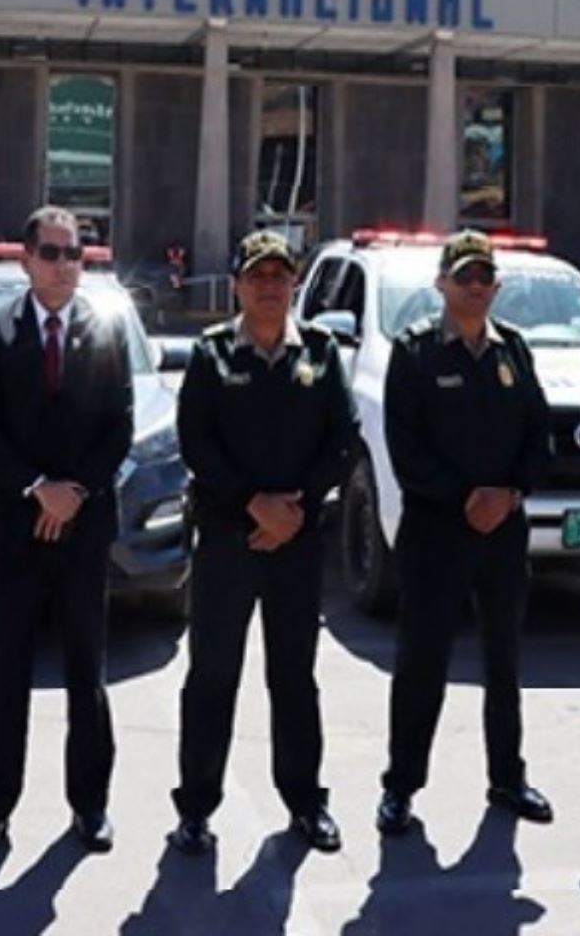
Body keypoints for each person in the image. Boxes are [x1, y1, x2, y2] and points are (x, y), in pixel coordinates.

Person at [168, 230, 358, 856]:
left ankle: (306, 801)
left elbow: (341, 440)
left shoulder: (322, 352)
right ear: (239, 285)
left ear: (294, 283)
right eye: (259, 277)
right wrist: (253, 504)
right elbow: (196, 441)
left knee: (294, 678)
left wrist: (292, 509)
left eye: (281, 276)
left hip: (297, 540)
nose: (271, 287)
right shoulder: (213, 353)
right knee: (212, 676)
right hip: (227, 538)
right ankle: (195, 808)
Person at [0, 205, 134, 856]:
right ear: (26, 259)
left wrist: (75, 493)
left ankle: (90, 806)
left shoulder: (107, 328)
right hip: (14, 529)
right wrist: (38, 490)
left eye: (76, 255)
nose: (66, 267)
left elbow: (119, 426)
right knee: (6, 674)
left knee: (86, 672)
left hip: (84, 530)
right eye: (54, 254)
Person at [376, 230, 554, 836]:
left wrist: (510, 494)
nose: (475, 288)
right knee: (422, 663)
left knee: (504, 663)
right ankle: (400, 786)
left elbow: (538, 436)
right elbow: (406, 448)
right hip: (436, 534)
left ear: (496, 287)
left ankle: (508, 777)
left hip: (502, 533)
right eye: (465, 277)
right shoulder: (416, 352)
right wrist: (464, 498)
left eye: (485, 279)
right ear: (442, 284)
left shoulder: (514, 352)